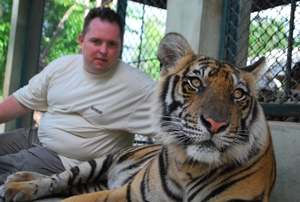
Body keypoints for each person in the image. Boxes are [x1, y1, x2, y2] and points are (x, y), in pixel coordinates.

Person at [0, 7, 156, 184]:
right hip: (38, 136)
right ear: (81, 41)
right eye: (96, 41)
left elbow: (176, 124)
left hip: (68, 163)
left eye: (111, 44)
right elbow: (22, 101)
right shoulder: (62, 66)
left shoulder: (138, 87)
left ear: (120, 45)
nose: (103, 50)